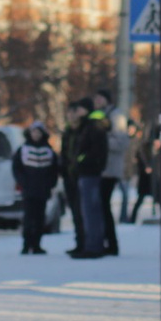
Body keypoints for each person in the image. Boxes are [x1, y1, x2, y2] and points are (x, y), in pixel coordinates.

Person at [68, 95, 115, 258]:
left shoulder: (93, 126)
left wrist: (81, 160)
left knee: (91, 212)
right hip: (89, 172)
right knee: (90, 211)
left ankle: (94, 247)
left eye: (79, 108)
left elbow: (94, 150)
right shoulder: (91, 125)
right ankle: (93, 245)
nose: (76, 112)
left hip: (90, 172)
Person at [11, 122, 63, 253]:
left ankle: (37, 244)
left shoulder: (48, 150)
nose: (36, 135)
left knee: (40, 218)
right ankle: (26, 244)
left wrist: (50, 184)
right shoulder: (23, 149)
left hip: (43, 189)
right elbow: (16, 168)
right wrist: (23, 182)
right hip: (28, 189)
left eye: (39, 132)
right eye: (34, 132)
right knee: (29, 217)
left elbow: (54, 170)